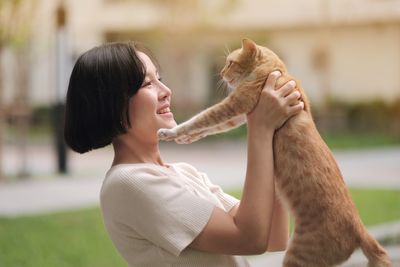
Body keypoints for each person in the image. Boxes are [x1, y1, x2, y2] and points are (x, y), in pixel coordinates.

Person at [64, 41, 303, 266]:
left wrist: (277, 132)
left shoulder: (183, 173)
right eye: (147, 84)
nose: (166, 90)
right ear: (112, 104)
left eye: (160, 78)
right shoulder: (129, 183)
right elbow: (250, 239)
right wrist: (260, 127)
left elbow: (273, 236)